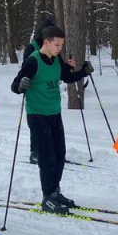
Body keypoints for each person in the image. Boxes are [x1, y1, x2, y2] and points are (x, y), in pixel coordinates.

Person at [11, 24, 93, 214]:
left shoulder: (55, 60)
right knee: (47, 157)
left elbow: (66, 77)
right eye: (57, 45)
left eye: (61, 45)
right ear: (46, 43)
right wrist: (21, 85)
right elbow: (15, 85)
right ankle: (47, 197)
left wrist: (83, 71)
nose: (59, 48)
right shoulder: (33, 61)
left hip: (54, 113)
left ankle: (55, 191)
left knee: (59, 155)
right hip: (37, 115)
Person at [23, 18, 56, 165]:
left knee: (50, 123)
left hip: (49, 92)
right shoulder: (32, 48)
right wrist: (24, 83)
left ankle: (50, 151)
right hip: (35, 91)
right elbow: (25, 69)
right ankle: (34, 151)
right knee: (36, 122)